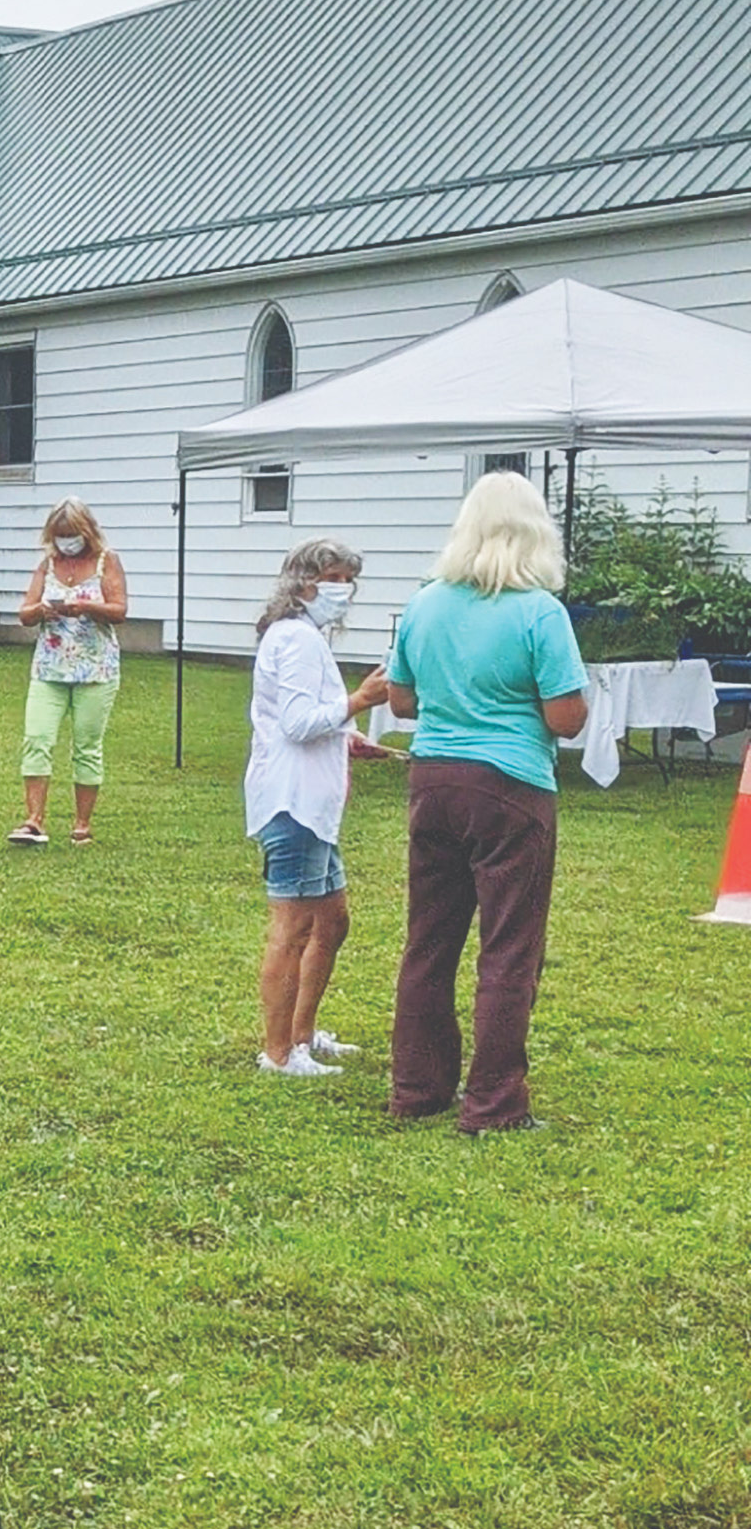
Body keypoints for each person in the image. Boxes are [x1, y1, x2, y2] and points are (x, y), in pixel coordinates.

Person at [385, 471, 589, 1135]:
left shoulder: (426, 603)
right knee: (508, 951)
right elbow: (566, 718)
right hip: (511, 787)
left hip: (434, 782)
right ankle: (494, 1103)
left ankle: (417, 1087)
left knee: (429, 942)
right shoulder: (538, 612)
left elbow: (402, 701)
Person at [246, 538, 392, 1077]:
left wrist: (349, 737)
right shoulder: (299, 641)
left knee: (333, 920)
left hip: (312, 805)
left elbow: (304, 717)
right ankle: (279, 1052)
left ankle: (302, 1036)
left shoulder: (301, 637)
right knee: (294, 927)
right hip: (295, 802)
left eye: (349, 579)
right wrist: (360, 701)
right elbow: (299, 722)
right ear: (303, 583)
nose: (343, 590)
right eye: (334, 578)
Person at [8, 501, 127, 844]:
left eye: (72, 536)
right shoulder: (47, 565)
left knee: (87, 745)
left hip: (96, 669)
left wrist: (86, 607)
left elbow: (119, 610)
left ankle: (82, 823)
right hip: (49, 668)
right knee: (37, 739)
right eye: (60, 537)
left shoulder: (107, 561)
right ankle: (34, 819)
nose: (66, 543)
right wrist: (42, 610)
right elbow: (24, 613)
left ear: (86, 532)